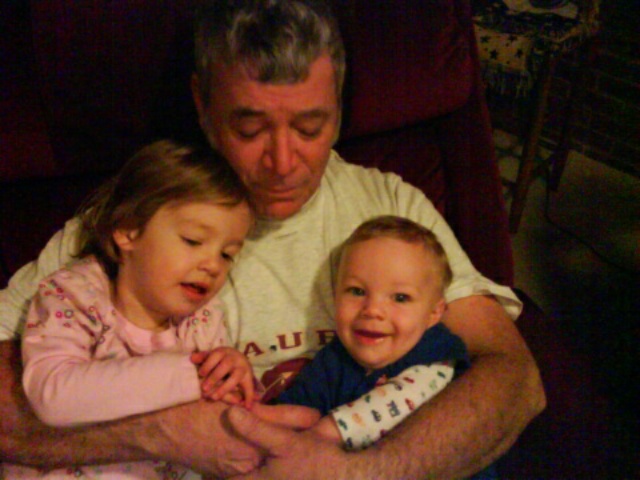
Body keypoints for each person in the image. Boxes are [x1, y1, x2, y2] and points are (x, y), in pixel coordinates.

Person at [0, 1, 546, 478]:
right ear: (203, 105)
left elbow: (516, 379)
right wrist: (158, 434)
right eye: (250, 128)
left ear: (339, 106)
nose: (283, 163)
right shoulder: (140, 216)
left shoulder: (390, 207)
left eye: (310, 128)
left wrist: (359, 473)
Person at [1, 140, 257, 478]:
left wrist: (230, 374)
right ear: (128, 231)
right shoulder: (74, 296)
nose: (212, 265)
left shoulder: (203, 319)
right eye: (193, 241)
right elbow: (52, 395)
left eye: (227, 254)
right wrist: (189, 375)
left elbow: (217, 427)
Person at [274, 215, 497, 479]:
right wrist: (257, 416)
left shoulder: (438, 352)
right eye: (357, 291)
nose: (372, 310)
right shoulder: (334, 358)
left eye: (400, 298)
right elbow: (299, 408)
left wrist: (324, 432)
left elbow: (400, 400)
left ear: (433, 313)